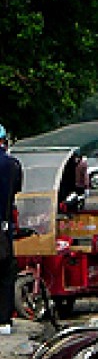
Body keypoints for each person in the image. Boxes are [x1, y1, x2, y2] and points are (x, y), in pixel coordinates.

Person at [0, 124, 23, 335]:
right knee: (6, 273)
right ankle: (4, 321)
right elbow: (16, 191)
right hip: (3, 229)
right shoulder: (12, 165)